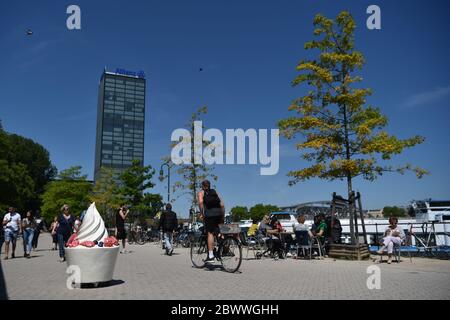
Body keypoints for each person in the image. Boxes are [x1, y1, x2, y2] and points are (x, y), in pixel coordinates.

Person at [197, 180, 225, 262]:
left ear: (202, 186)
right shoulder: (215, 192)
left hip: (210, 214)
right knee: (219, 231)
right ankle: (224, 247)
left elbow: (201, 203)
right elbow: (222, 204)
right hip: (219, 213)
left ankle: (211, 255)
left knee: (210, 233)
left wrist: (202, 213)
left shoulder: (201, 193)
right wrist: (222, 215)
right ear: (210, 185)